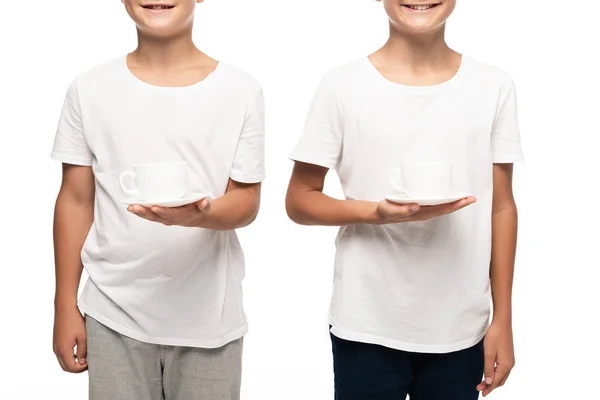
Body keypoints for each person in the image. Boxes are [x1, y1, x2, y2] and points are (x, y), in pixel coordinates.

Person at [286, 0, 523, 399]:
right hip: (366, 323)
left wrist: (503, 319)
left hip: (460, 328)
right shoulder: (341, 85)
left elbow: (501, 206)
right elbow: (299, 200)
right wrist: (375, 213)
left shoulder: (493, 86)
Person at [50, 1, 264, 399]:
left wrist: (199, 215)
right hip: (112, 315)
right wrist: (65, 305)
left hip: (209, 321)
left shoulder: (240, 90)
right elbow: (76, 201)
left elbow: (247, 200)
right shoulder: (89, 89)